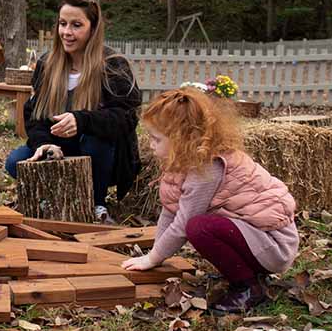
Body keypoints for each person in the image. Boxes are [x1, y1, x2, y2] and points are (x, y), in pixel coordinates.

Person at [121, 88, 300, 314]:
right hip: (254, 236)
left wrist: (153, 258)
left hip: (274, 246)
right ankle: (245, 271)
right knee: (200, 225)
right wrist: (155, 255)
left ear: (182, 139)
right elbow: (170, 210)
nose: (150, 144)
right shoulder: (183, 162)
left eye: (156, 139)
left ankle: (248, 287)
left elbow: (182, 223)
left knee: (199, 227)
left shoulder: (206, 169)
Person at [4, 0, 142, 223]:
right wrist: (43, 143)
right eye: (62, 24)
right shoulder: (48, 64)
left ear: (93, 28)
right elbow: (34, 114)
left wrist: (82, 121)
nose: (67, 32)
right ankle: (55, 197)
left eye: (76, 25)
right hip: (60, 149)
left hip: (102, 154)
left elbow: (126, 118)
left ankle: (97, 204)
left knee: (94, 139)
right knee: (15, 160)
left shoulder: (113, 64)